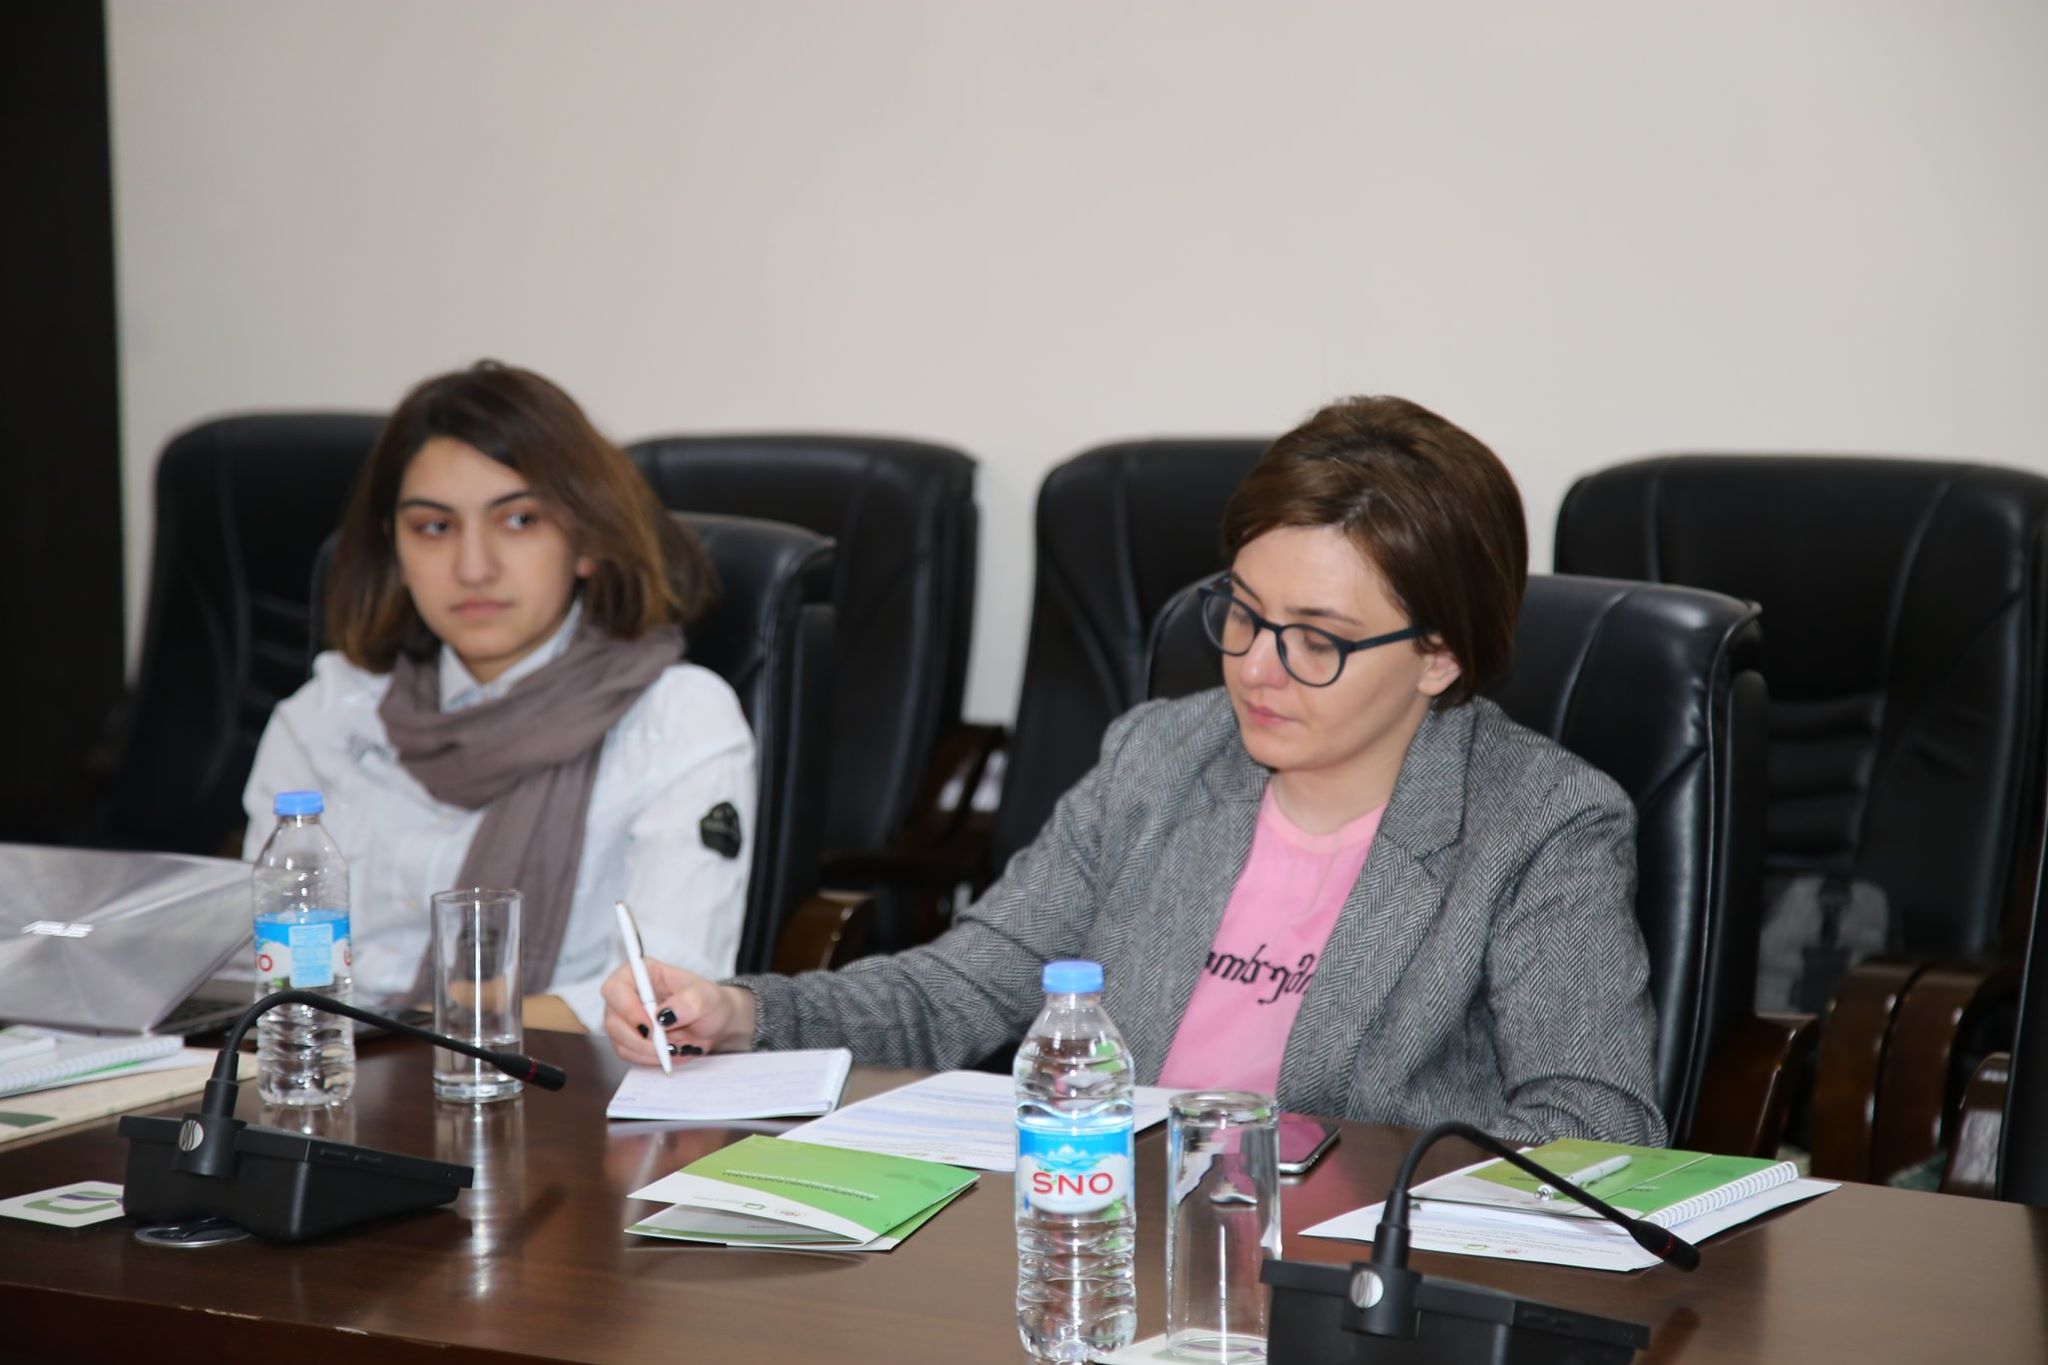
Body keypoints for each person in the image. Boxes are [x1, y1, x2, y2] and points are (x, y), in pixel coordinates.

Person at [603, 395, 1665, 1144]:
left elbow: (1594, 1125)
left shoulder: (1541, 824)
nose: (1256, 666)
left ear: (1438, 656)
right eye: (1242, 613)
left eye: (1318, 639)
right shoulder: (1160, 754)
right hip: (1114, 1240)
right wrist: (743, 1014)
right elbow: (966, 983)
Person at [244, 360, 755, 1032]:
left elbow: (666, 994)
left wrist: (420, 1035)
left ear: (587, 539)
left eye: (518, 520)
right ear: (394, 550)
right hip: (326, 1067)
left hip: (559, 1082)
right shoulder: (326, 714)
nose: (473, 566)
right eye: (434, 527)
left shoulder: (677, 719)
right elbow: (260, 961)